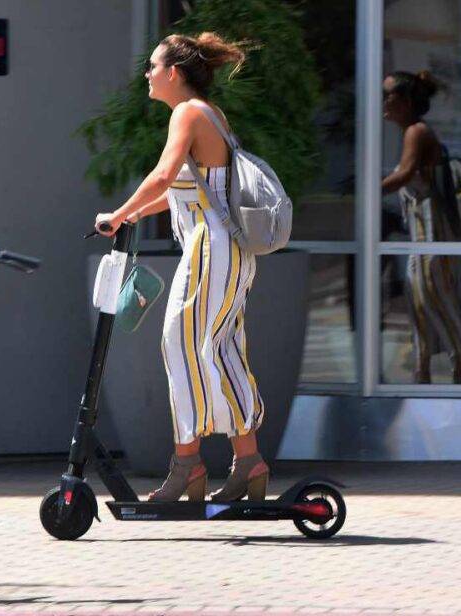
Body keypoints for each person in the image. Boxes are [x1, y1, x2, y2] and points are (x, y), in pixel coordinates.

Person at [94, 31, 267, 502]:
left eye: (152, 66)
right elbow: (178, 192)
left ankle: (188, 465)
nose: (147, 74)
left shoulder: (188, 113)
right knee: (223, 347)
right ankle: (247, 461)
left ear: (174, 73)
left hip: (211, 250)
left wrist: (117, 212)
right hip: (226, 251)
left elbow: (163, 175)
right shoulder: (209, 115)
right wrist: (126, 215)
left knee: (180, 343)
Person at [381, 70, 461, 384]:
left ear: (405, 101)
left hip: (433, 227)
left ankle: (459, 362)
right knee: (418, 295)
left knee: (435, 292)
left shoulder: (417, 132)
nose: (383, 102)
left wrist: (370, 189)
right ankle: (423, 367)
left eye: (388, 94)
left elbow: (406, 174)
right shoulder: (413, 131)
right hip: (422, 230)